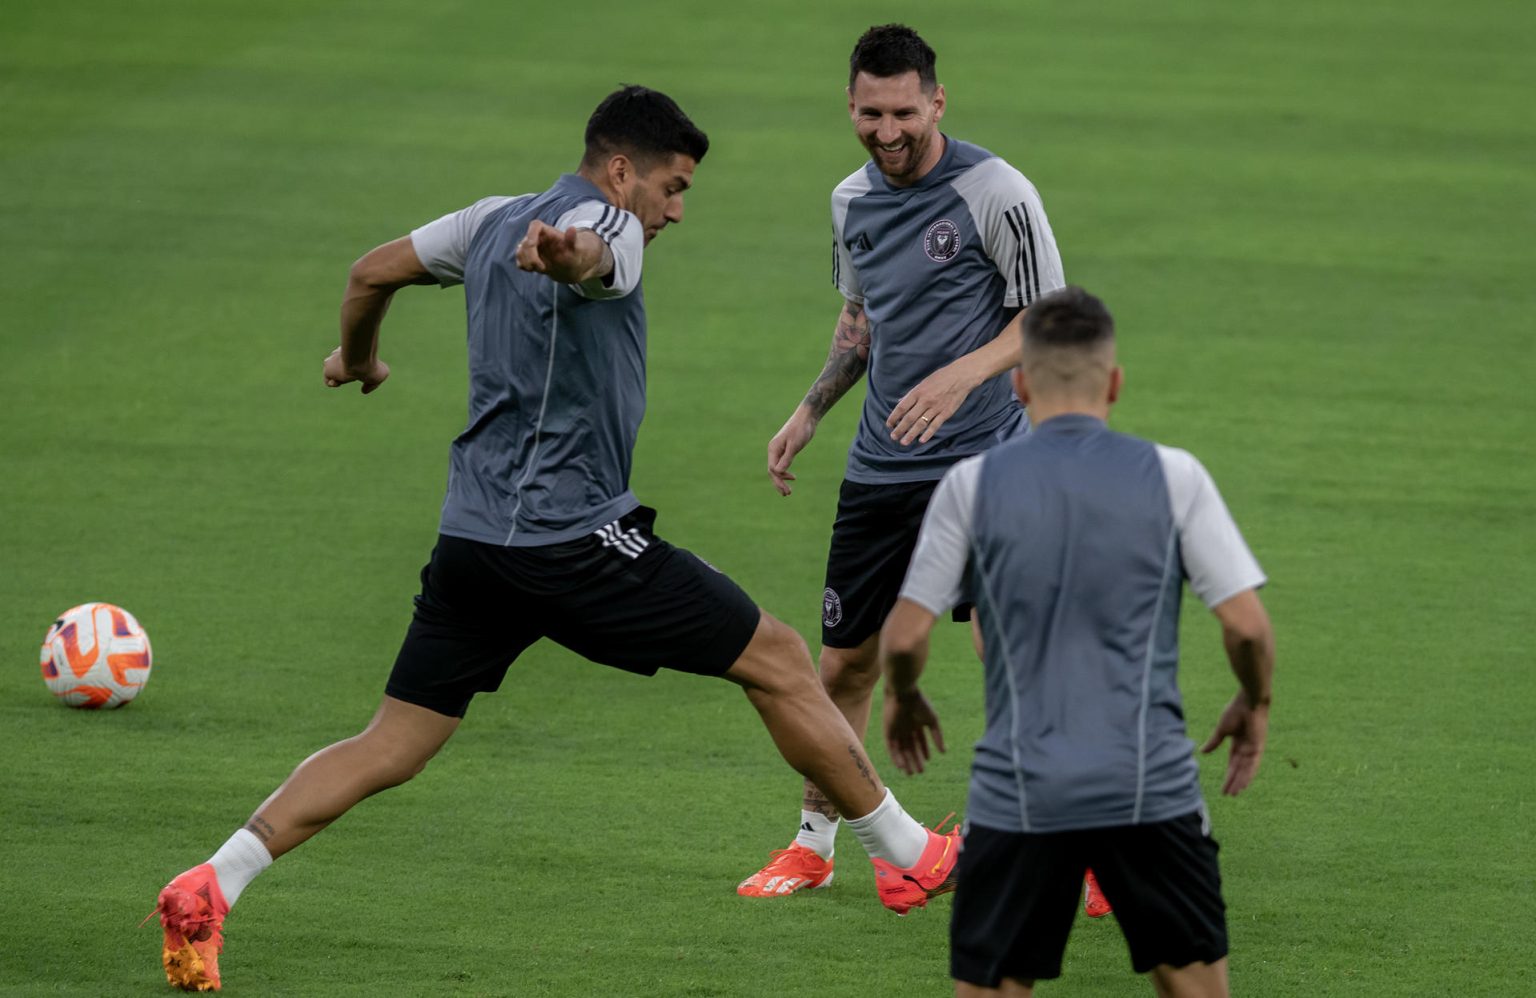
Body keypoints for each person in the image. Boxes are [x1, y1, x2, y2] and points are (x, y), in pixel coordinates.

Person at [149, 85, 960, 993]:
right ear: (623, 171)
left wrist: (359, 356)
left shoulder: (490, 219)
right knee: (774, 654)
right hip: (569, 541)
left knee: (392, 743)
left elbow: (370, 271)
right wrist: (569, 254)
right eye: (673, 187)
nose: (676, 212)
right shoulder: (606, 229)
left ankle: (212, 882)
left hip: (473, 544)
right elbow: (592, 257)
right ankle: (911, 851)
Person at [739, 23, 1072, 902]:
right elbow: (863, 318)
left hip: (990, 463)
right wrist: (810, 410)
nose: (886, 131)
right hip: (883, 470)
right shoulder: (850, 200)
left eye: (902, 113)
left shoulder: (996, 191)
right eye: (869, 113)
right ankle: (813, 844)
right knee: (842, 666)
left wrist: (963, 376)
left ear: (936, 103)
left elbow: (1050, 316)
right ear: (850, 107)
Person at [880, 286, 1276, 997]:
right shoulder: (1175, 477)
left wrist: (904, 698)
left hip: (1018, 794)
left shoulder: (972, 485)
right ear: (1115, 383)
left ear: (1022, 382)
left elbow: (906, 637)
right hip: (1149, 786)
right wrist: (1254, 700)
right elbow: (1246, 626)